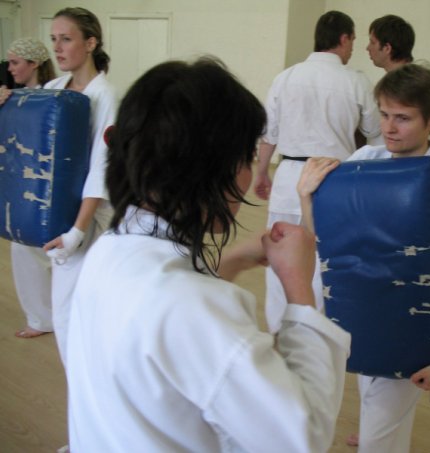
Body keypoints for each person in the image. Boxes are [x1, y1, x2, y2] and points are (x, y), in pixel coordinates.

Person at [65, 57, 351, 452]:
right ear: (214, 167)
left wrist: (235, 259)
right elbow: (303, 436)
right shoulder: (192, 307)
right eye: (248, 157)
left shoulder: (109, 250)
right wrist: (299, 289)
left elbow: (172, 323)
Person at [297, 62, 430, 453]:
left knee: (378, 438)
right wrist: (306, 195)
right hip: (362, 313)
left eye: (403, 118)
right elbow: (322, 238)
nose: (389, 127)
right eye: (384, 115)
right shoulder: (362, 161)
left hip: (410, 324)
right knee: (377, 411)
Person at [254, 10, 381, 333]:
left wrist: (261, 173)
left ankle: (278, 330)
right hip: (333, 179)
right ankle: (317, 332)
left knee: (279, 252)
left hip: (288, 175)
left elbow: (269, 133)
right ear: (343, 38)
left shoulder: (286, 77)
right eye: (353, 40)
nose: (353, 48)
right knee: (326, 258)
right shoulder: (356, 81)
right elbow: (374, 131)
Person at [38, 7, 119, 365]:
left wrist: (78, 230)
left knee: (70, 311)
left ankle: (85, 385)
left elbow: (102, 164)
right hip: (58, 212)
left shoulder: (106, 96)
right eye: (53, 39)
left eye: (66, 39)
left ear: (90, 43)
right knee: (70, 309)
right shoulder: (52, 89)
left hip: (88, 217)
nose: (57, 47)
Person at [2, 38, 57, 338]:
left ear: (34, 64)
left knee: (53, 254)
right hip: (24, 184)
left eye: (15, 63)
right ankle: (40, 317)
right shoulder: (14, 99)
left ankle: (48, 316)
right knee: (24, 250)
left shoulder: (56, 97)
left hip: (50, 184)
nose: (10, 69)